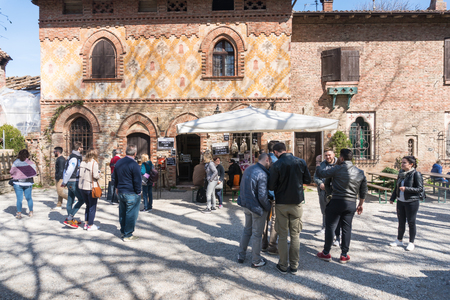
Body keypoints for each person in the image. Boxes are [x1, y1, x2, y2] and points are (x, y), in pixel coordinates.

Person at [315, 149, 367, 264]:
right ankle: (344, 255)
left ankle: (326, 252)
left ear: (341, 158)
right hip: (351, 203)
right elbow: (363, 191)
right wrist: (360, 204)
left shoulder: (337, 169)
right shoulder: (360, 172)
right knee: (347, 228)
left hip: (337, 200)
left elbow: (320, 174)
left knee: (330, 227)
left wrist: (318, 162)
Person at [268, 142, 311, 275]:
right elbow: (308, 180)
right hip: (296, 202)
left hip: (281, 203)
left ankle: (282, 265)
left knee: (282, 236)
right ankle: (294, 265)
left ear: (275, 152)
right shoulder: (300, 162)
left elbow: (271, 186)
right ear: (286, 150)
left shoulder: (276, 165)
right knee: (295, 235)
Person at [237, 153, 272, 268]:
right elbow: (262, 196)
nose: (270, 165)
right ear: (267, 160)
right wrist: (268, 207)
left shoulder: (249, 168)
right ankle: (256, 260)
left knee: (247, 230)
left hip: (246, 204)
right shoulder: (262, 174)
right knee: (257, 235)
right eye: (270, 162)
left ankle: (241, 255)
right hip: (257, 207)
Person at [389, 156, 423, 251]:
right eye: (402, 162)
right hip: (401, 201)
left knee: (411, 222)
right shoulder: (401, 173)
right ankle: (399, 240)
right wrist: (393, 198)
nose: (402, 164)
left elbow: (420, 189)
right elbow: (397, 187)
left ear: (411, 164)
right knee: (401, 221)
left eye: (404, 163)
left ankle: (411, 242)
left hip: (411, 202)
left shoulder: (416, 174)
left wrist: (406, 189)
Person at [113, 144, 142, 241]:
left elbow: (115, 177)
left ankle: (123, 231)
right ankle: (128, 234)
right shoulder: (134, 164)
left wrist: (117, 187)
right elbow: (137, 180)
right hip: (131, 192)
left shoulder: (119, 162)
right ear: (135, 153)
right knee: (131, 214)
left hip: (121, 191)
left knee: (123, 213)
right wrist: (138, 192)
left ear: (126, 152)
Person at [314, 148, 341, 247]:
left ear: (334, 155)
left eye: (329, 155)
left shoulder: (339, 164)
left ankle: (337, 236)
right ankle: (324, 227)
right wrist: (320, 183)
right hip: (323, 192)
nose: (328, 157)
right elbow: (315, 177)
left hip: (335, 193)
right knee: (324, 211)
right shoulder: (322, 165)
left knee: (336, 214)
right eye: (326, 155)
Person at [61, 142, 85, 228]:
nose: (82, 148)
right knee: (81, 200)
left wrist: (65, 181)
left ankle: (70, 219)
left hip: (71, 181)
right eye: (82, 147)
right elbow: (69, 170)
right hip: (73, 181)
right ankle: (69, 218)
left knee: (70, 201)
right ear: (79, 148)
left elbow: (65, 169)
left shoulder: (72, 156)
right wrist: (64, 182)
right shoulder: (74, 158)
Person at [10, 149, 37, 219]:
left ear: (19, 155)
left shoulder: (16, 162)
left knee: (19, 199)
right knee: (29, 198)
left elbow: (11, 172)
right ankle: (31, 212)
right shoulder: (30, 163)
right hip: (28, 183)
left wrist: (17, 175)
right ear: (28, 155)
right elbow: (34, 172)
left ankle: (19, 213)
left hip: (17, 183)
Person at [262, 141, 279, 255]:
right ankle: (272, 246)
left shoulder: (263, 161)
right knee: (275, 220)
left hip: (264, 193)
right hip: (276, 194)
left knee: (264, 219)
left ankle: (263, 244)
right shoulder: (279, 162)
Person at [78, 149, 101, 231]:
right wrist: (99, 174)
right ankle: (90, 225)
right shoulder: (94, 163)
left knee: (87, 205)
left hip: (82, 186)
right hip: (90, 187)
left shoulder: (82, 162)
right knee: (92, 206)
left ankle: (86, 223)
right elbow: (95, 176)